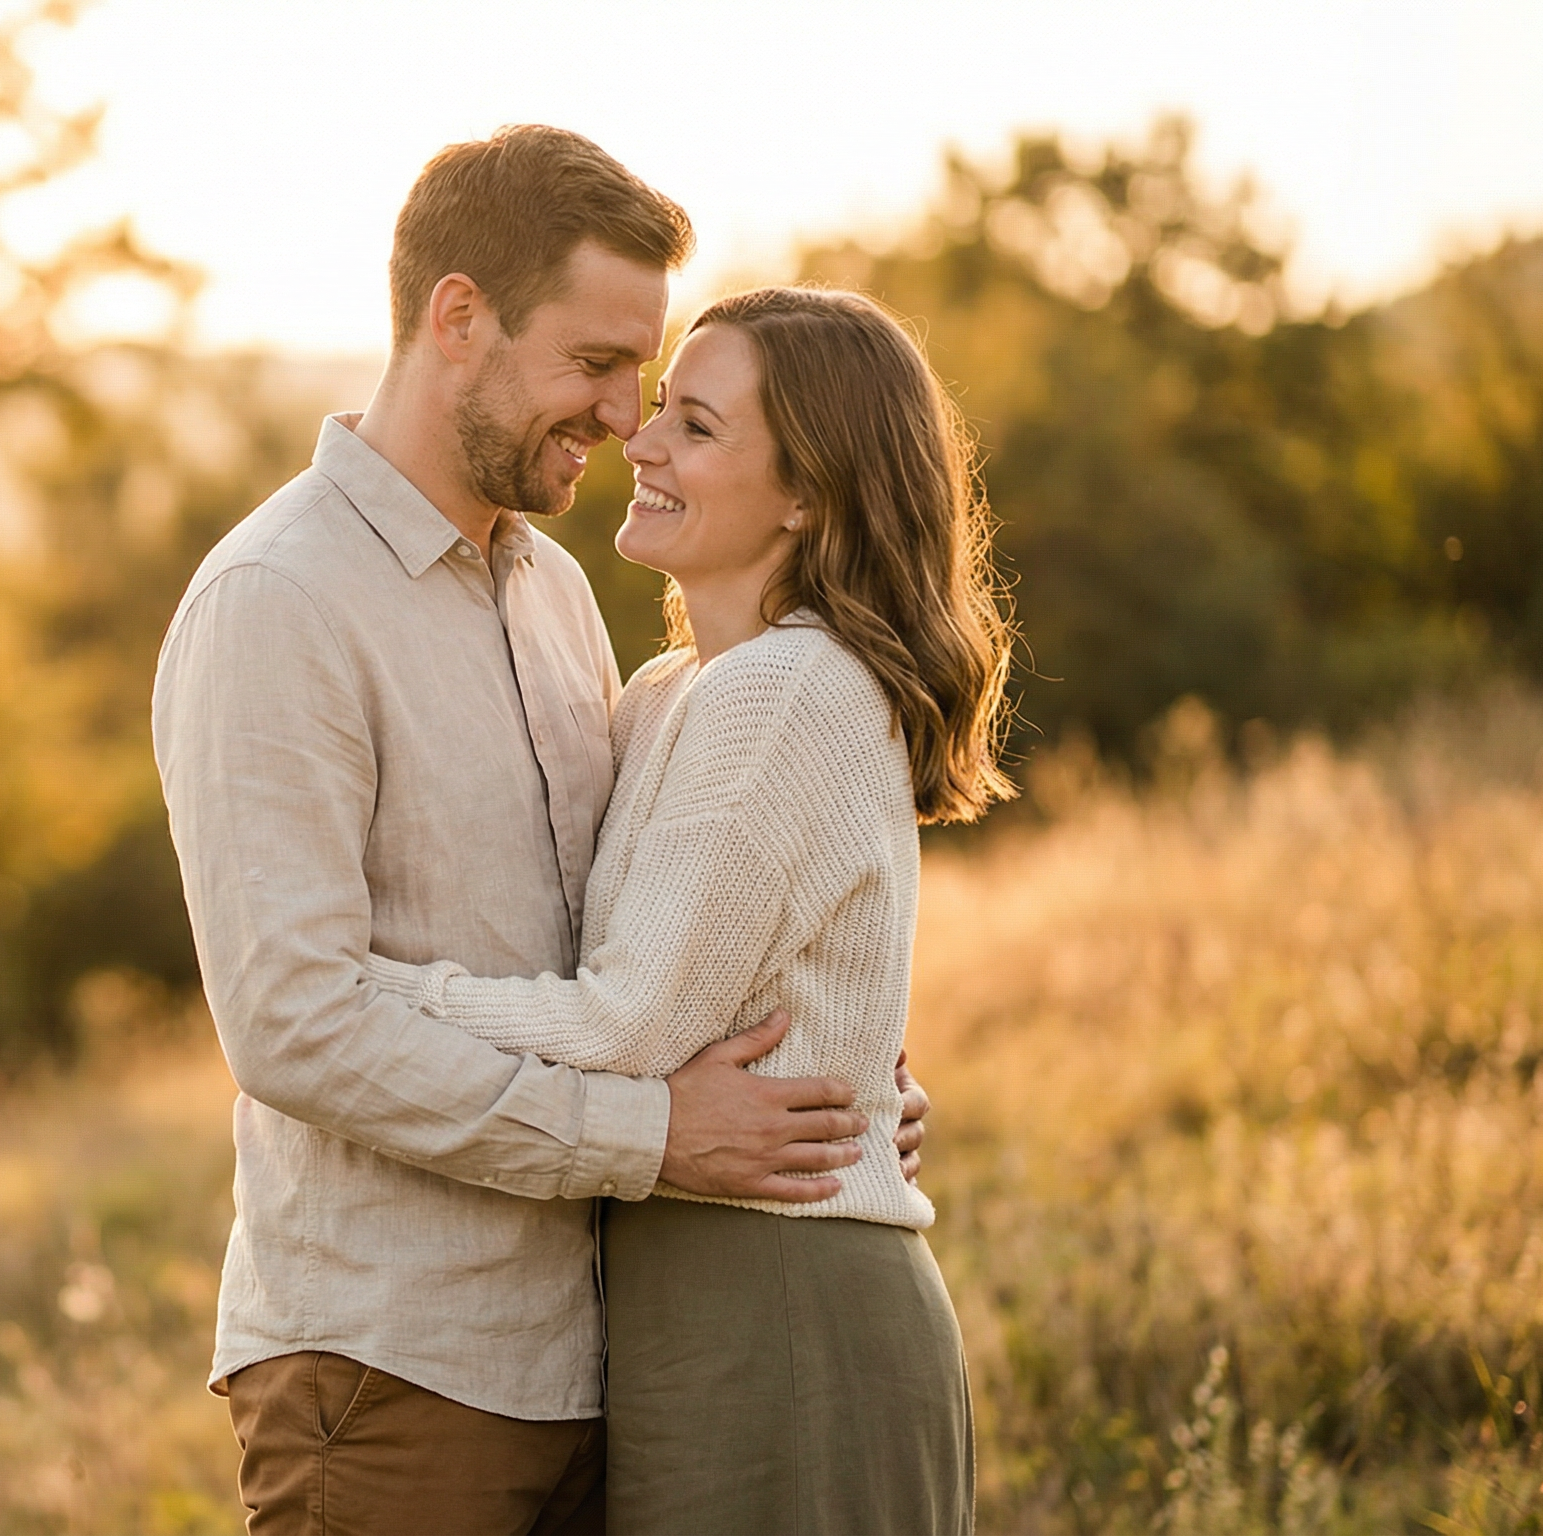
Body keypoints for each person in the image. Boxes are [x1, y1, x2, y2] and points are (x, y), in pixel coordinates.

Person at [151, 126, 930, 1535]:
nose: (626, 417)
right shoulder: (280, 602)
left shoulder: (559, 599)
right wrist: (653, 1136)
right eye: (595, 364)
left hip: (604, 1366)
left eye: (647, 377)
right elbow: (294, 1025)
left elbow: (650, 933)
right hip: (398, 1366)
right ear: (460, 319)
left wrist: (835, 1069)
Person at [367, 285, 1018, 1533]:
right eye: (659, 407)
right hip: (686, 1290)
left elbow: (627, 1028)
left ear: (808, 495)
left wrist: (369, 996)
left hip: (776, 1296)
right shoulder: (672, 691)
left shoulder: (786, 691)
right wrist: (870, 1083)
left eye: (698, 427)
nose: (642, 444)